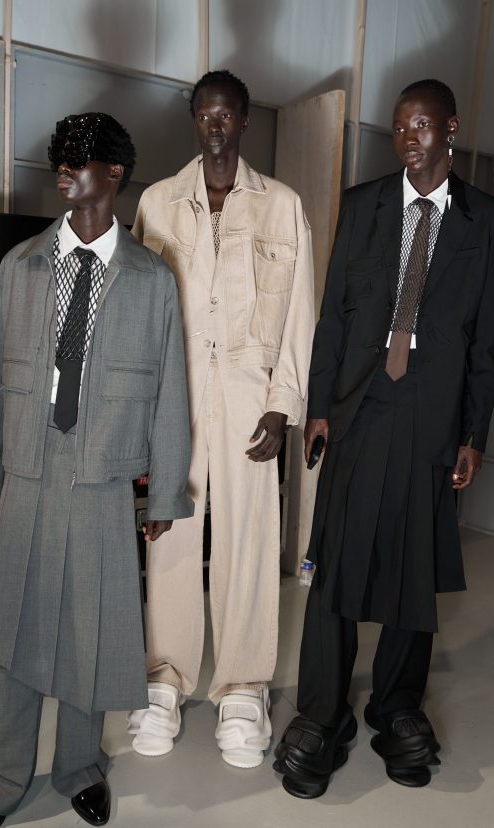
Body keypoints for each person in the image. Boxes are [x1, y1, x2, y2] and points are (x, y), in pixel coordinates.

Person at [0, 112, 193, 828]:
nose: (64, 169)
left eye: (80, 158)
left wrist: (164, 490)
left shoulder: (152, 279)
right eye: (59, 157)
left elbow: (170, 392)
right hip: (31, 467)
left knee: (93, 630)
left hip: (103, 474)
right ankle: (1, 780)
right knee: (19, 627)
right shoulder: (21, 267)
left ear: (116, 173)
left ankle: (80, 768)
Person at [274, 79, 494, 798]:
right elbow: (333, 316)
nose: (409, 137)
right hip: (360, 407)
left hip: (432, 417)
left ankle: (395, 706)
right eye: (400, 126)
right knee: (336, 561)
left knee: (412, 565)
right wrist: (317, 406)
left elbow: (486, 340)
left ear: (450, 129)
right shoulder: (364, 205)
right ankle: (321, 711)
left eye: (423, 125)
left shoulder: (482, 221)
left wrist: (473, 434)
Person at [129, 69, 314, 768]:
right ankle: (163, 681)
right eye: (204, 115)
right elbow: (136, 319)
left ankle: (242, 688)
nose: (215, 127)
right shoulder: (156, 204)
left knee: (248, 540)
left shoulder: (282, 207)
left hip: (248, 400)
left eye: (227, 116)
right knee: (171, 534)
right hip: (174, 400)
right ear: (193, 120)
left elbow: (301, 316)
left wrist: (281, 406)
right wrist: (141, 416)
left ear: (243, 122)